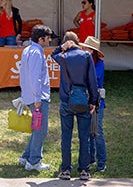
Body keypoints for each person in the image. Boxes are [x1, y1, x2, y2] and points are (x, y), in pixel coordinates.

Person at [52, 31, 99, 181]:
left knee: (66, 136)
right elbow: (92, 81)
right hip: (83, 100)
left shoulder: (63, 57)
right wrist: (93, 101)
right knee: (84, 137)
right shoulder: (86, 56)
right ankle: (84, 170)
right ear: (78, 42)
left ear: (66, 43)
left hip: (66, 101)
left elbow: (53, 54)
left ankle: (65, 170)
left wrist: (61, 47)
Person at [19, 25, 55, 171]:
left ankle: (26, 156)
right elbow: (35, 78)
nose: (50, 40)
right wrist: (38, 98)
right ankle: (34, 161)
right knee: (41, 130)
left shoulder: (28, 50)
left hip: (31, 96)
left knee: (37, 128)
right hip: (37, 98)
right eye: (48, 38)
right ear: (41, 39)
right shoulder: (36, 53)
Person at [80, 36, 107, 172]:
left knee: (97, 132)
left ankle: (102, 161)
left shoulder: (98, 65)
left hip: (96, 103)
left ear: (93, 51)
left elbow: (93, 80)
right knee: (88, 132)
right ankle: (91, 159)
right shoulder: (86, 63)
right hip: (85, 100)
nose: (84, 50)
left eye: (87, 48)